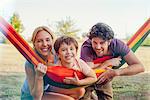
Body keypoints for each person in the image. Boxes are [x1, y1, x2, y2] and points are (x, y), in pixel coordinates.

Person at [80, 23, 145, 100]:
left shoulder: (118, 46)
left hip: (105, 75)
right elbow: (88, 70)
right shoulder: (87, 47)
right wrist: (107, 63)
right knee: (82, 97)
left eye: (102, 43)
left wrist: (116, 72)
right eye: (94, 42)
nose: (98, 47)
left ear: (109, 41)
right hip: (87, 77)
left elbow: (140, 67)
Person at [21, 26, 75, 100]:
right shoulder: (30, 62)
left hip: (48, 88)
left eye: (47, 40)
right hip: (31, 95)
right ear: (34, 43)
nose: (44, 44)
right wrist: (39, 76)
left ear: (52, 41)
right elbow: (36, 97)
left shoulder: (57, 55)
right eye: (39, 41)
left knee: (80, 91)